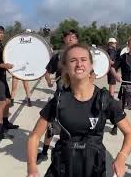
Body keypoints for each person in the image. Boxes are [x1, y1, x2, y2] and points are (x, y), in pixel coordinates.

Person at [27, 44, 131, 177]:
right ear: (65, 68)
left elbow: (130, 133)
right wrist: (32, 168)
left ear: (91, 65)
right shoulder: (59, 99)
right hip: (62, 168)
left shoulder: (104, 99)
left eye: (84, 60)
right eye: (73, 61)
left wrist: (122, 157)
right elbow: (34, 136)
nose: (79, 64)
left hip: (93, 170)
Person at [36, 29, 79, 164]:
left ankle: (74, 151)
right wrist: (49, 81)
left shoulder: (82, 56)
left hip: (77, 97)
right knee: (50, 126)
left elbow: (92, 74)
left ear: (77, 40)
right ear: (64, 40)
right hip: (60, 96)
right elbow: (48, 71)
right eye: (68, 36)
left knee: (75, 126)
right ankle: (44, 152)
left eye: (74, 37)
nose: (71, 39)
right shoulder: (59, 56)